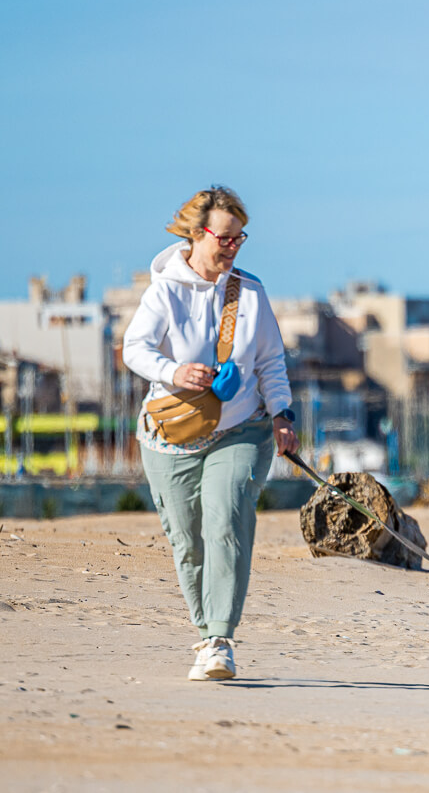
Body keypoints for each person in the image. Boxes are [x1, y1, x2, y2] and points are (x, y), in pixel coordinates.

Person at [124, 186, 298, 681]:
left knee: (228, 517)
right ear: (197, 234)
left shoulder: (250, 292)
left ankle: (221, 638)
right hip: (172, 433)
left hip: (242, 427)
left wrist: (282, 415)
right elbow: (134, 348)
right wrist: (174, 371)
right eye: (225, 237)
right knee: (188, 541)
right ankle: (206, 635)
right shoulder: (164, 291)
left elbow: (270, 361)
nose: (233, 246)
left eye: (240, 238)